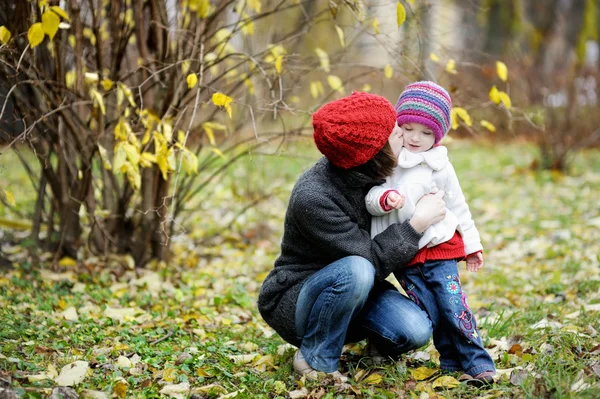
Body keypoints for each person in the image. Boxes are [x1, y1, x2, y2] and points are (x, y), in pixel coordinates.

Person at [257, 92, 448, 381]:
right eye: (397, 134)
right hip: (301, 296)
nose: (405, 138)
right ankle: (315, 356)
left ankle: (371, 341)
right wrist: (416, 225)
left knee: (415, 329)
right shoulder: (314, 197)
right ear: (374, 153)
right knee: (357, 269)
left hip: (356, 290)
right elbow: (368, 260)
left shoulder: (380, 173)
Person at [365, 81, 496, 386]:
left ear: (437, 135)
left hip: (439, 248)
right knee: (431, 311)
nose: (415, 138)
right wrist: (384, 200)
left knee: (453, 306)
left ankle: (478, 364)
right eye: (408, 128)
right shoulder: (390, 160)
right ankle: (451, 363)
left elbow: (458, 205)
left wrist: (472, 244)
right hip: (406, 255)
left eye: (426, 133)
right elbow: (371, 197)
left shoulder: (440, 164)